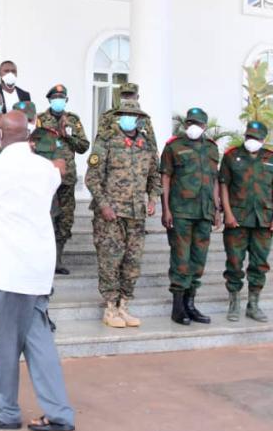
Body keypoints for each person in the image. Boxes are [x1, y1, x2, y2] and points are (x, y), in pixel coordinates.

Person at [0, 111, 75, 431]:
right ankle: (59, 412)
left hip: (6, 272)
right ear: (29, 136)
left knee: (4, 345)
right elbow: (57, 173)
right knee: (38, 341)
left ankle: (5, 412)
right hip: (37, 271)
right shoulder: (44, 169)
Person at [85, 101, 161, 329]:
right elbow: (92, 178)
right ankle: (110, 308)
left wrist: (153, 198)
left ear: (140, 118)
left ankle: (123, 307)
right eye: (125, 114)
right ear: (118, 116)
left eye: (133, 114)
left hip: (136, 213)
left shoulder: (146, 143)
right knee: (110, 260)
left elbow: (155, 174)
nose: (129, 117)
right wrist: (104, 205)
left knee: (132, 262)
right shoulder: (106, 141)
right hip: (111, 213)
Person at [160, 107, 220, 325]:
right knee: (180, 259)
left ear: (204, 126)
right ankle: (177, 307)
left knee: (198, 260)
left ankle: (190, 304)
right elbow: (165, 178)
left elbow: (214, 180)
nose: (193, 127)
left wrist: (217, 208)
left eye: (197, 123)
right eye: (190, 123)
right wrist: (165, 208)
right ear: (186, 124)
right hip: (180, 211)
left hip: (204, 212)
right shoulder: (173, 146)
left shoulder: (212, 149)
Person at [219, 120, 273, 323]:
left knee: (259, 264)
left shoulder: (270, 158)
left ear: (264, 139)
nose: (252, 141)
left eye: (257, 138)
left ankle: (253, 305)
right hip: (237, 220)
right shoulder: (232, 156)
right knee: (234, 263)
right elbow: (224, 185)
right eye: (249, 137)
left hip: (264, 221)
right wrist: (228, 213)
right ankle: (234, 303)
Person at [37, 85, 90, 275]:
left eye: (62, 97)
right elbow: (34, 144)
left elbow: (84, 145)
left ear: (66, 100)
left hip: (67, 179)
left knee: (65, 220)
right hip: (47, 178)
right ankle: (45, 259)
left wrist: (68, 136)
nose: (58, 100)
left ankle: (58, 259)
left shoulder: (73, 120)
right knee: (47, 217)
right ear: (50, 100)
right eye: (55, 97)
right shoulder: (41, 120)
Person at [96, 82, 157, 151]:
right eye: (124, 94)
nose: (127, 97)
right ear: (120, 96)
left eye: (130, 95)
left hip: (139, 156)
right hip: (115, 155)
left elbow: (151, 142)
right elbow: (100, 141)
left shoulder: (143, 118)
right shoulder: (108, 116)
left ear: (137, 97)